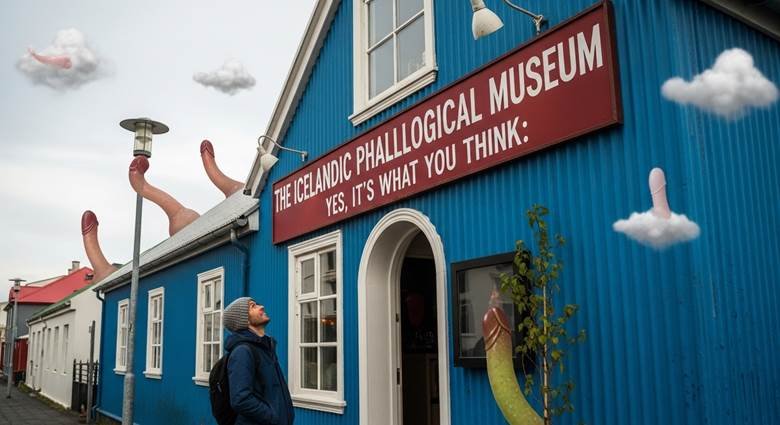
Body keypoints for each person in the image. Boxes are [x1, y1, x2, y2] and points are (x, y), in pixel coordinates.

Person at [223, 297, 294, 425]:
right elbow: (241, 399)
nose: (261, 307)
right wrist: (274, 418)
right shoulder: (242, 351)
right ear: (243, 320)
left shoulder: (266, 349)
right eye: (253, 306)